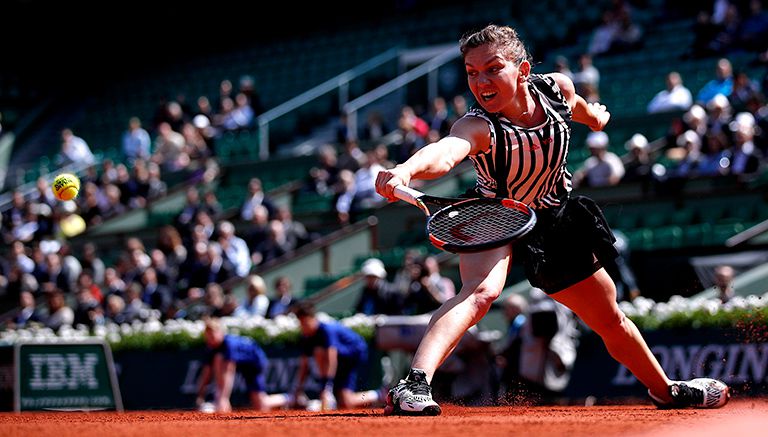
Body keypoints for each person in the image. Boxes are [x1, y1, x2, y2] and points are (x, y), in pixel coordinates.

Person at [375, 24, 730, 416]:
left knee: (609, 315)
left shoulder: (556, 87)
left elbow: (573, 107)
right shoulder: (477, 126)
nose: (481, 81)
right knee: (481, 293)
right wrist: (405, 169)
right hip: (495, 214)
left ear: (523, 70)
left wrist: (592, 117)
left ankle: (666, 390)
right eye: (472, 73)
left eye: (493, 69)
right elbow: (444, 153)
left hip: (555, 218)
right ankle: (414, 384)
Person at [291, 301, 384, 410]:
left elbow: (331, 358)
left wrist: (327, 386)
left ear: (312, 318)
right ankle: (378, 395)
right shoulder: (307, 337)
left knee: (319, 352)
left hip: (354, 355)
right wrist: (297, 389)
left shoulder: (326, 330)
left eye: (305, 322)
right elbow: (304, 365)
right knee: (344, 402)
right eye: (300, 323)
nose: (303, 326)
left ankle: (381, 394)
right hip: (341, 360)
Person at [196, 317, 293, 412]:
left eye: (213, 335)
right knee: (218, 359)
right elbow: (207, 372)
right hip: (241, 363)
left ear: (220, 333)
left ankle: (289, 398)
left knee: (260, 404)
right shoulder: (211, 348)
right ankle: (220, 399)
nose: (210, 339)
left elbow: (229, 373)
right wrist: (200, 396)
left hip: (254, 363)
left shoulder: (229, 344)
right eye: (208, 336)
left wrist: (223, 398)